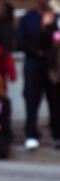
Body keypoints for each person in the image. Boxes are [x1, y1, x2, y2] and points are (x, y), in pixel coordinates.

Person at [17, 0, 60, 150]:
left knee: (55, 101)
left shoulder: (55, 17)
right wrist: (42, 27)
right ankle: (31, 135)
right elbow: (22, 41)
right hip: (33, 64)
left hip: (50, 65)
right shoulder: (28, 18)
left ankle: (57, 135)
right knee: (31, 99)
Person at [39, 8, 60, 148]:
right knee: (55, 103)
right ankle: (57, 136)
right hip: (55, 68)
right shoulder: (51, 19)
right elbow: (42, 43)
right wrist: (44, 26)